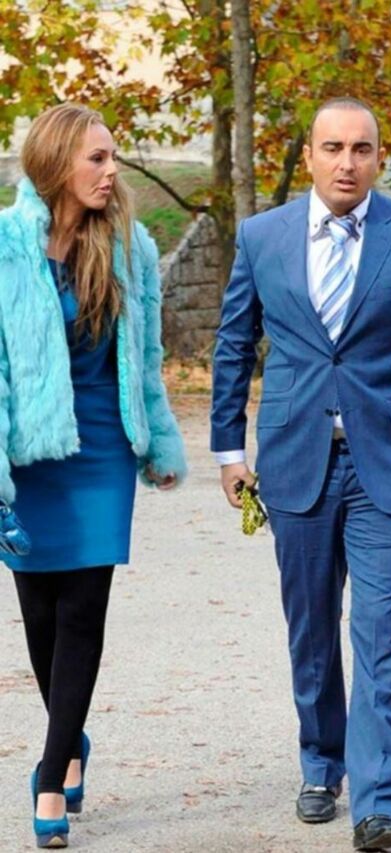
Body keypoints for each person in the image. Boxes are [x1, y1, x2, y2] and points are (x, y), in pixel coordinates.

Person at [211, 96, 391, 851]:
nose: (347, 162)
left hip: (387, 466)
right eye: (332, 148)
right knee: (311, 629)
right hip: (294, 461)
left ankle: (378, 803)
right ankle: (320, 761)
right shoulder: (262, 236)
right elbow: (234, 344)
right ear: (309, 156)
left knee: (380, 630)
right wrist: (228, 450)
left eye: (361, 149)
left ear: (378, 157)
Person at [0, 103, 187, 849]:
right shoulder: (6, 246)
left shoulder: (130, 246)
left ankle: (51, 776)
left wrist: (159, 440)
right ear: (56, 164)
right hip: (29, 453)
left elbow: (146, 356)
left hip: (104, 449)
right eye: (97, 159)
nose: (112, 172)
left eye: (113, 157)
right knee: (40, 618)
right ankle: (70, 735)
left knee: (82, 611)